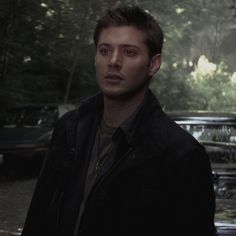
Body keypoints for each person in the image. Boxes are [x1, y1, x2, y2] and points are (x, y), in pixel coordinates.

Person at [21, 5, 216, 236]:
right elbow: (39, 215)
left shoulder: (181, 154)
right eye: (104, 50)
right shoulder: (70, 128)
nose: (113, 61)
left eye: (129, 52)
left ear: (153, 64)